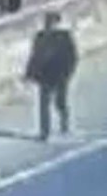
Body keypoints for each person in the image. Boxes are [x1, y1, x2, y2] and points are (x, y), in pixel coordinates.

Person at [24, 11, 78, 141]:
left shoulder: (64, 36)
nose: (48, 24)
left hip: (60, 74)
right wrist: (29, 73)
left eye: (51, 21)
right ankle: (44, 131)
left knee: (60, 102)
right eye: (47, 21)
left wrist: (68, 72)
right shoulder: (40, 36)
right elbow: (35, 56)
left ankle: (64, 123)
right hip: (45, 74)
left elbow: (72, 56)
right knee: (43, 104)